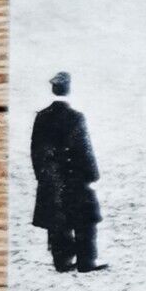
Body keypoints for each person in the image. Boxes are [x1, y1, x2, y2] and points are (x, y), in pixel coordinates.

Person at [30, 71, 105, 273]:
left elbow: (35, 151)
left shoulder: (41, 117)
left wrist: (43, 177)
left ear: (53, 89)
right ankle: (86, 262)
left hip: (51, 179)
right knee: (85, 219)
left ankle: (61, 262)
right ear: (69, 89)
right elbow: (84, 149)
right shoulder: (75, 117)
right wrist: (92, 175)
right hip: (74, 178)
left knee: (56, 220)